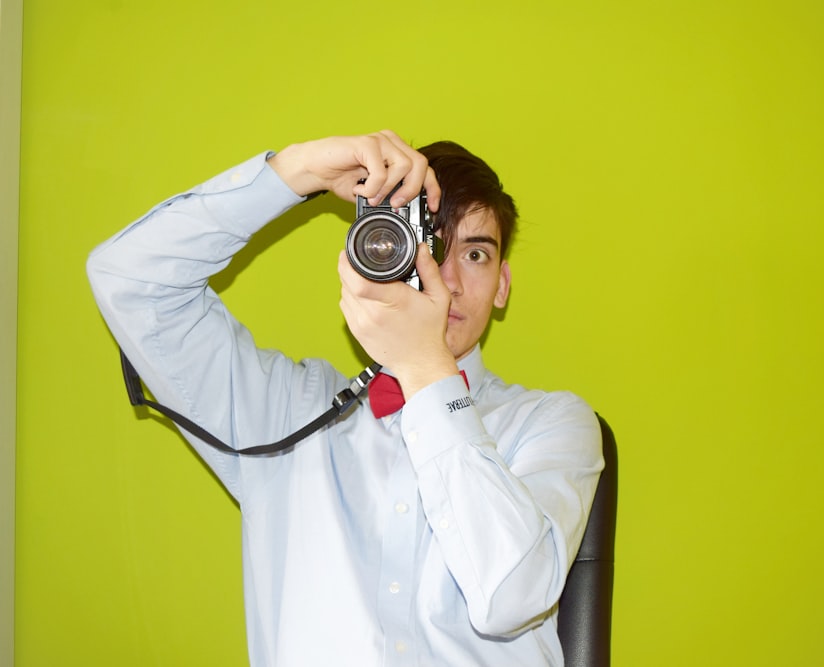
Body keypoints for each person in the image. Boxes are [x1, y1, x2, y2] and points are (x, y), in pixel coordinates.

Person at [87, 130, 603, 666]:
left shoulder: (555, 424)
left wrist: (425, 368)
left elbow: (510, 598)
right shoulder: (286, 413)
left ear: (502, 285)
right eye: (430, 246)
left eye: (475, 253)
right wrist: (296, 173)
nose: (446, 281)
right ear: (382, 252)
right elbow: (128, 278)